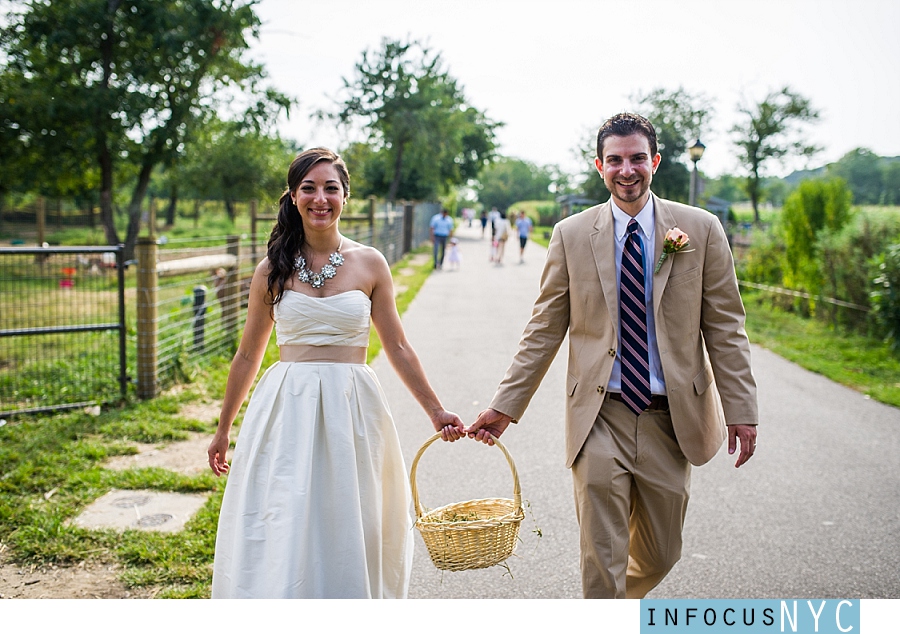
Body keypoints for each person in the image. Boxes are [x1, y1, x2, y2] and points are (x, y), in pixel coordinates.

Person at [467, 113, 758, 599]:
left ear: (655, 162)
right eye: (616, 160)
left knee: (663, 552)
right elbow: (544, 327)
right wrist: (505, 405)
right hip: (600, 414)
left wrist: (742, 411)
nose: (628, 170)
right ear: (599, 166)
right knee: (601, 557)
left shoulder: (700, 229)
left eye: (638, 158)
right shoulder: (571, 234)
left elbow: (726, 327)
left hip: (671, 417)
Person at [208, 147, 465, 599]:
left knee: (353, 515)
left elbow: (398, 345)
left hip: (353, 406)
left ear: (346, 196)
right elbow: (249, 354)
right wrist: (224, 428)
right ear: (292, 196)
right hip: (288, 407)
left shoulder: (370, 263)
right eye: (309, 188)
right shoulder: (272, 268)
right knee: (287, 515)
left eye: (331, 188)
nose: (320, 198)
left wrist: (435, 409)